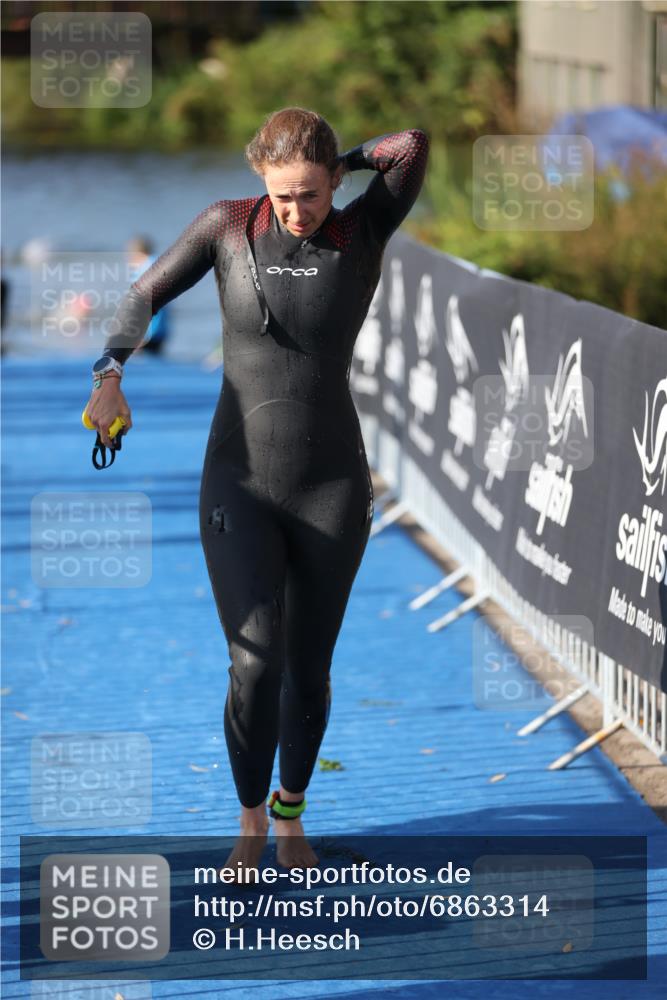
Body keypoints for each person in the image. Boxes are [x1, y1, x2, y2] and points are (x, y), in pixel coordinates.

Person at [84, 107, 429, 875]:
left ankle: (289, 818)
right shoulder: (226, 226)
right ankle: (246, 820)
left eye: (310, 193)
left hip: (332, 485)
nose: (296, 211)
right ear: (258, 185)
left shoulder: (361, 230)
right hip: (237, 481)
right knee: (254, 661)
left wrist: (344, 160)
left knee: (308, 669)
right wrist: (109, 373)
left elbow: (410, 147)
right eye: (282, 196)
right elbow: (142, 296)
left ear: (334, 182)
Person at [125, 236, 171, 355]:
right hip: (161, 330)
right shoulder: (161, 264)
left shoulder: (143, 270)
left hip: (148, 333)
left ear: (136, 253)